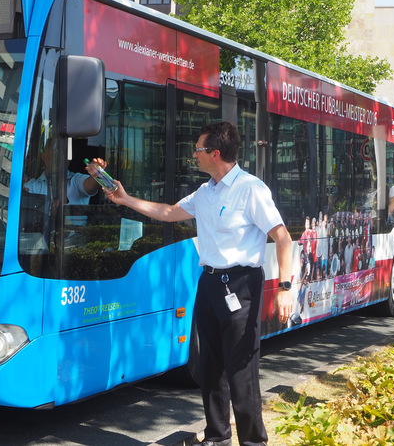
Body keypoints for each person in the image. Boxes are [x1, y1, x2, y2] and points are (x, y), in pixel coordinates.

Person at [104, 121, 293, 446]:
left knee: (240, 372)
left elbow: (283, 238)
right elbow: (168, 212)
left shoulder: (251, 189)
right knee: (210, 367)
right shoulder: (206, 192)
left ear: (215, 153)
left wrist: (287, 287)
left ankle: (253, 441)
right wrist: (127, 200)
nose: (194, 155)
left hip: (242, 285)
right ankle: (217, 437)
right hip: (208, 285)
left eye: (198, 149)